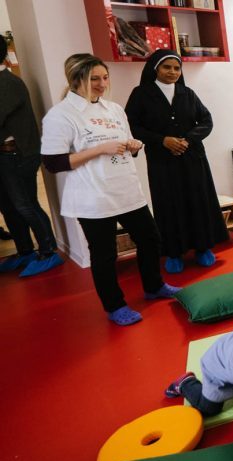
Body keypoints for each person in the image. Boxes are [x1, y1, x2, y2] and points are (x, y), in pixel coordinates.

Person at [40, 53, 179, 326]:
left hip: (126, 190)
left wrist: (134, 145)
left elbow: (126, 143)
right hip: (93, 197)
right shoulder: (61, 115)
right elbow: (53, 163)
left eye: (105, 77)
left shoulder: (113, 110)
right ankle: (115, 306)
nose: (102, 84)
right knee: (104, 254)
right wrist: (98, 150)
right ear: (76, 79)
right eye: (94, 79)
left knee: (150, 239)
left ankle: (153, 287)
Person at [125, 49, 227, 274]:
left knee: (198, 201)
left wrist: (188, 140)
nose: (172, 72)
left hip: (193, 159)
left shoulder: (187, 93)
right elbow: (132, 126)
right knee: (168, 204)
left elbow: (206, 120)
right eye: (166, 67)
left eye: (176, 68)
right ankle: (173, 252)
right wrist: (162, 140)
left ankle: (203, 248)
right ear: (155, 68)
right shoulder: (141, 94)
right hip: (162, 161)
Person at [0, 34, 63, 277]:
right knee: (9, 206)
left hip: (18, 155)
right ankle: (25, 251)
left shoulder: (7, 82)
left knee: (25, 205)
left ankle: (49, 253)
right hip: (5, 156)